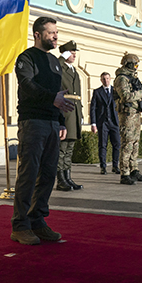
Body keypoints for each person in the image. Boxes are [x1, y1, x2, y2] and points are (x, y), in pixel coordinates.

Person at [11, 16, 74, 245]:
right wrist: (52, 100)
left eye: (56, 32)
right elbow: (27, 85)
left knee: (48, 175)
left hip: (51, 124)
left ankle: (37, 221)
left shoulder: (55, 62)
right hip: (32, 123)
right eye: (51, 33)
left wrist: (60, 121)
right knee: (28, 175)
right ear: (38, 34)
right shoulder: (26, 58)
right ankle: (20, 226)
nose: (56, 36)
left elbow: (58, 94)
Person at [114, 53, 142, 185]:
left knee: (135, 143)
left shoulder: (132, 78)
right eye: (135, 64)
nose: (136, 67)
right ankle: (124, 173)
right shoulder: (122, 79)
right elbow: (126, 96)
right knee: (127, 144)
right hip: (127, 115)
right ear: (129, 64)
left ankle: (134, 170)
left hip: (135, 114)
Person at [56, 40, 84, 191]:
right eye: (71, 53)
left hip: (74, 113)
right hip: (65, 112)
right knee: (62, 149)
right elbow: (54, 66)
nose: (74, 55)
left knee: (69, 149)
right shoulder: (60, 68)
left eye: (74, 53)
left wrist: (81, 114)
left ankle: (68, 178)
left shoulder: (75, 71)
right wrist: (61, 57)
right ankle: (61, 181)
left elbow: (78, 96)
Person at [89, 72, 121, 175]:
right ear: (101, 80)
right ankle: (103, 167)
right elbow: (93, 108)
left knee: (117, 144)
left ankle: (115, 166)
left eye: (107, 78)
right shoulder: (97, 92)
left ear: (110, 79)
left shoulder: (116, 92)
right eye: (103, 79)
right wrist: (93, 123)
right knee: (102, 145)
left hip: (114, 122)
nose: (106, 81)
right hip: (102, 122)